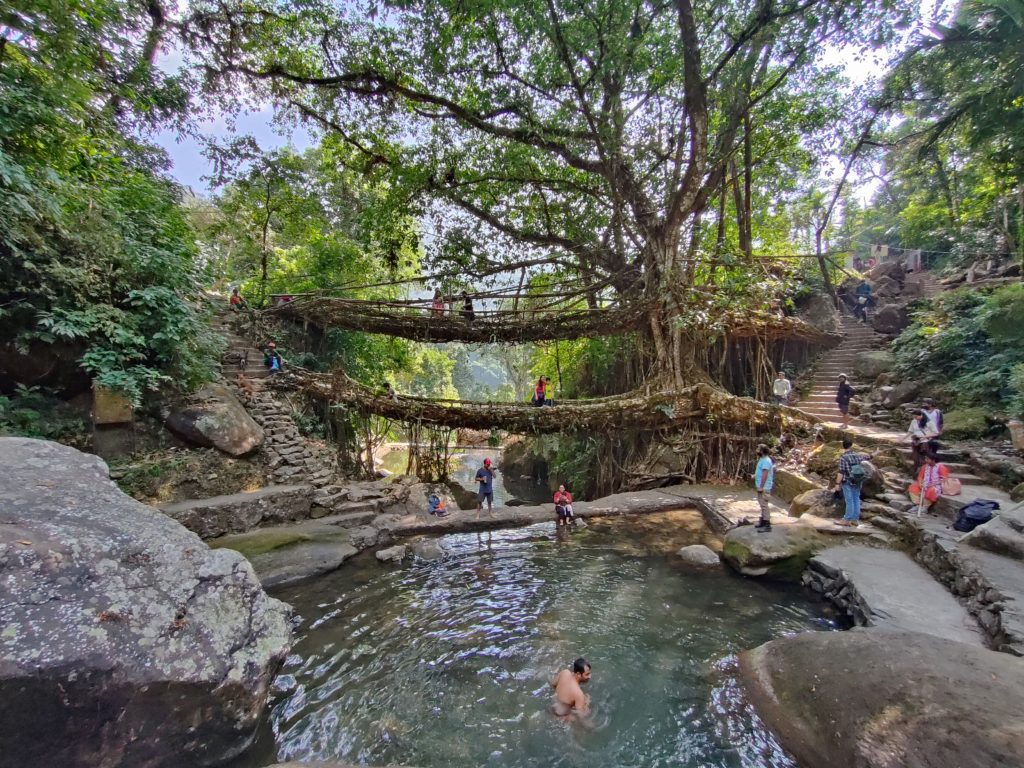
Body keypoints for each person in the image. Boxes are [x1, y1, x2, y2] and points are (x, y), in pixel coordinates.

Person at [834, 437, 870, 526]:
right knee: (856, 499)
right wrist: (875, 453)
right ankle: (855, 519)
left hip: (848, 481)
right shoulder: (857, 455)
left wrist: (837, 484)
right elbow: (868, 457)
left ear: (843, 446)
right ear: (851, 445)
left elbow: (841, 472)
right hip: (858, 480)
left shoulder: (843, 458)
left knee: (849, 500)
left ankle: (846, 519)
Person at [753, 444, 774, 532]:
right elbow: (761, 472)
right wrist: (755, 475)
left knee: (764, 505)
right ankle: (762, 521)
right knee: (762, 504)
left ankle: (767, 525)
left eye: (758, 449)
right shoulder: (762, 459)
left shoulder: (766, 461)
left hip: (764, 487)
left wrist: (761, 486)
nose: (757, 450)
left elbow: (765, 474)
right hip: (761, 486)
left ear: (762, 451)